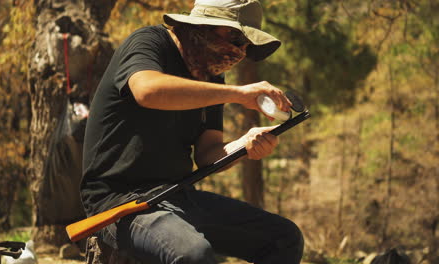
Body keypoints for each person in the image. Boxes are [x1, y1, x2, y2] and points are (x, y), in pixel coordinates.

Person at [80, 0, 304, 263]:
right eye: (235, 37)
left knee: (284, 237)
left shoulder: (211, 75)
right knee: (192, 255)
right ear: (202, 25)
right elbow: (147, 90)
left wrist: (245, 144)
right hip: (120, 201)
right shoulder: (149, 42)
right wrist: (238, 94)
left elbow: (209, 153)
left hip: (177, 195)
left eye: (247, 44)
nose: (240, 51)